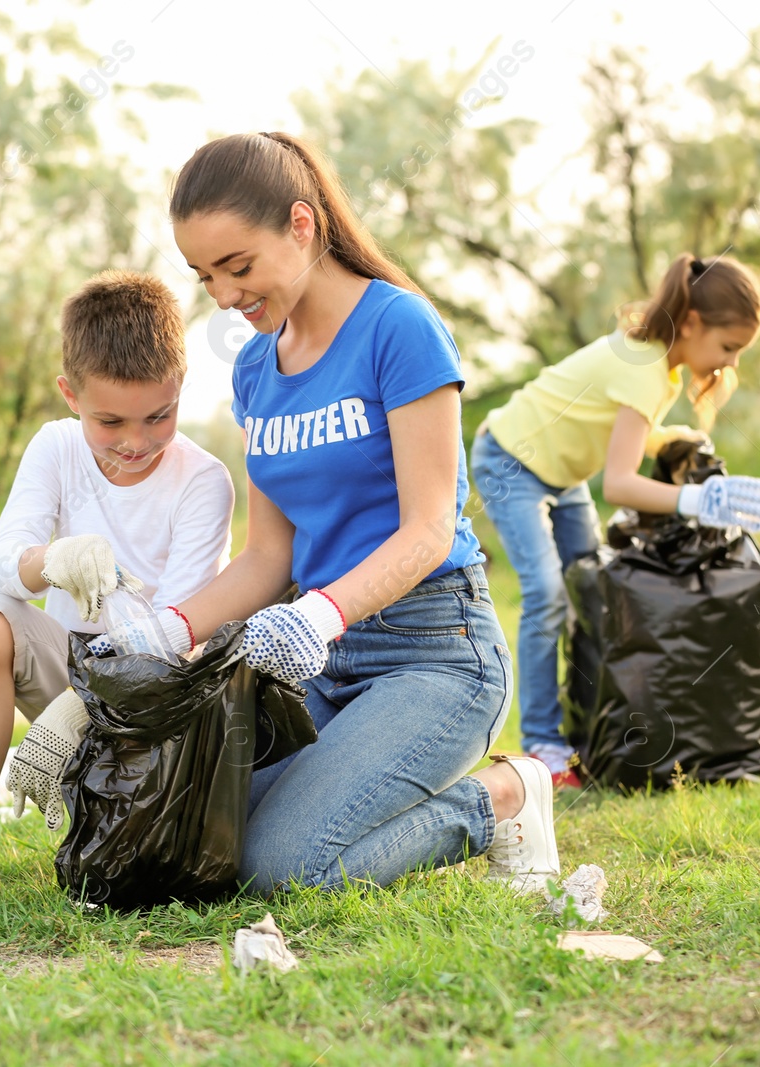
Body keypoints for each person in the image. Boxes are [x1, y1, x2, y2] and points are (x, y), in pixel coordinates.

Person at [104, 132, 557, 895]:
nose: (221, 295)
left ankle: (505, 798)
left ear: (303, 225)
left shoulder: (398, 328)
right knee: (193, 831)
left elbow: (428, 529)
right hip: (314, 662)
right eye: (204, 274)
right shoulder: (255, 367)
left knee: (285, 868)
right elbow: (266, 558)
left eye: (237, 266)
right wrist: (167, 630)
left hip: (433, 651)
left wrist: (320, 615)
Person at [0, 270, 236, 894]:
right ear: (69, 394)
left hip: (165, 702)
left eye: (158, 416)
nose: (136, 443)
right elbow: (1, 568)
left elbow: (180, 633)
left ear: (182, 387)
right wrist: (48, 560)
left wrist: (79, 706)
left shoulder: (202, 481)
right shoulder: (55, 448)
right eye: (110, 423)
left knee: (140, 868)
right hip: (73, 666)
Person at [471, 253, 760, 787]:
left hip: (562, 472)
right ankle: (542, 744)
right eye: (729, 348)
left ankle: (586, 724)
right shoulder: (644, 369)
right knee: (547, 593)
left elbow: (625, 429)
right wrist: (697, 502)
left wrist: (679, 441)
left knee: (594, 588)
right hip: (512, 461)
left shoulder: (659, 368)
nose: (729, 364)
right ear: (694, 323)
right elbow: (618, 485)